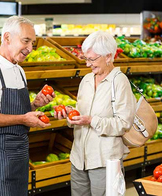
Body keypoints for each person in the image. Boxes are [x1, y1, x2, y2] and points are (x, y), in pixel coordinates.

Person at [0, 16, 54, 196]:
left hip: (19, 152)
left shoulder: (19, 70)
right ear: (7, 38)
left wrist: (33, 105)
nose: (30, 48)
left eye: (33, 43)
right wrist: (24, 118)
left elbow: (14, 112)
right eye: (26, 41)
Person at [54, 31, 136, 196]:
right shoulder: (86, 80)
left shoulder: (119, 82)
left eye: (92, 59)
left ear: (108, 56)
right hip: (79, 159)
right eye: (86, 58)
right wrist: (71, 115)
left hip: (104, 160)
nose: (87, 64)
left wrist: (92, 120)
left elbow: (123, 123)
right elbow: (81, 114)